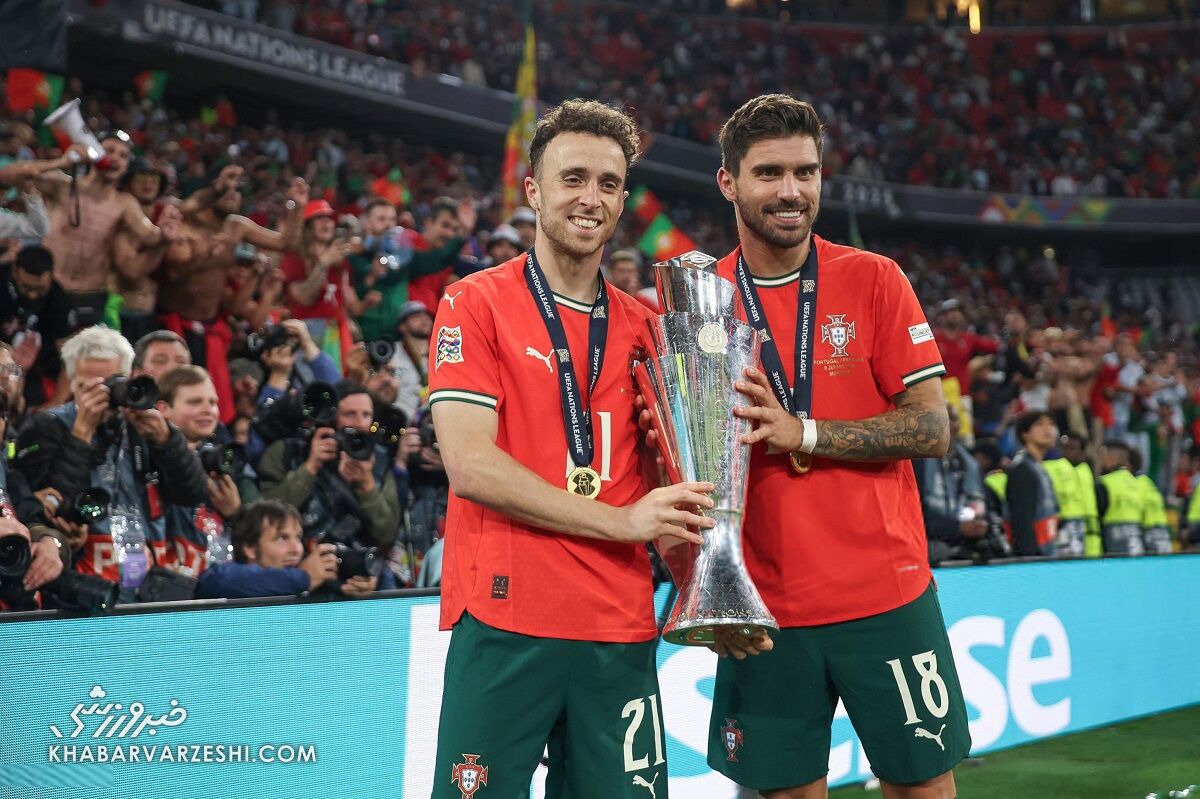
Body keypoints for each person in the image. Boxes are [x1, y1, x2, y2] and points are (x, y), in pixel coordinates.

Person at [428, 99, 715, 799]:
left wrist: (706, 589)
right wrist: (620, 521)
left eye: (609, 184)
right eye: (573, 178)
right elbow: (470, 465)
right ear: (534, 191)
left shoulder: (649, 328)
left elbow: (670, 481)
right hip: (505, 617)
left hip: (617, 625)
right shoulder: (473, 303)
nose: (592, 198)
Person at [701, 94, 968, 799]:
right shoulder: (699, 300)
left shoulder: (875, 278)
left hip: (886, 594)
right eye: (769, 173)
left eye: (806, 171)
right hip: (764, 608)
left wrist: (806, 432)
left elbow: (931, 428)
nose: (791, 191)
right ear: (728, 182)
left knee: (923, 789)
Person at [13, 326, 208, 600]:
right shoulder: (46, 426)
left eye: (111, 383)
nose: (102, 395)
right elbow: (48, 508)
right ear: (71, 383)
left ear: (129, 377)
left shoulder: (144, 424)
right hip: (86, 589)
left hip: (149, 587)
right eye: (89, 386)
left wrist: (168, 442)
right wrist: (81, 434)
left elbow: (191, 494)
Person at [35, 131, 182, 327]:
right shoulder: (62, 185)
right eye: (109, 151)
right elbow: (14, 175)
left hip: (89, 297)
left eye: (123, 155)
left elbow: (150, 235)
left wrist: (163, 233)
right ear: (94, 152)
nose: (115, 158)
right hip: (47, 289)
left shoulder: (125, 204)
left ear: (126, 166)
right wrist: (62, 162)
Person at [257, 380, 398, 558]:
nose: (359, 423)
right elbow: (266, 520)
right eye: (349, 414)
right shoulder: (289, 452)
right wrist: (311, 467)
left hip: (358, 563)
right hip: (298, 561)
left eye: (366, 415)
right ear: (330, 416)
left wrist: (367, 486)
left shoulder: (380, 462)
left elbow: (387, 536)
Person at [349, 197, 475, 342]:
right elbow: (346, 300)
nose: (388, 225)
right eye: (381, 219)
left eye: (392, 219)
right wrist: (370, 278)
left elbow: (438, 259)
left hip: (396, 340)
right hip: (361, 338)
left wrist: (463, 233)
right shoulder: (352, 255)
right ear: (366, 223)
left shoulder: (404, 256)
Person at [195, 499, 375, 599]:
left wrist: (364, 580)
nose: (296, 549)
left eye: (298, 537)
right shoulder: (223, 580)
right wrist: (305, 577)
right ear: (250, 548)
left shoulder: (305, 583)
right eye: (282, 538)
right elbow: (219, 581)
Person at [1004, 411, 1061, 557]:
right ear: (1025, 434)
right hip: (1034, 557)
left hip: (1047, 552)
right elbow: (1022, 522)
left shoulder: (1039, 468)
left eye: (1050, 424)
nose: (1047, 429)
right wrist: (1031, 558)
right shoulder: (1022, 469)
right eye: (1039, 424)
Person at [1042, 432, 1094, 557]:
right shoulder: (1049, 468)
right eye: (1064, 448)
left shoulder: (1086, 471)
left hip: (1086, 527)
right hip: (1061, 524)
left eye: (1072, 448)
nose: (1067, 452)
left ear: (1082, 452)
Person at [1097, 440, 1145, 555]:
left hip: (1113, 537)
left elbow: (1099, 511)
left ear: (1111, 457)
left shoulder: (1105, 482)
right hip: (1136, 536)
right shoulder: (1138, 483)